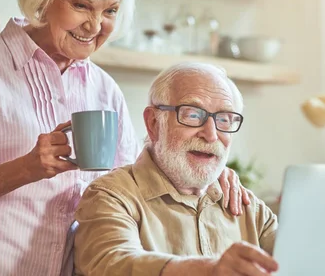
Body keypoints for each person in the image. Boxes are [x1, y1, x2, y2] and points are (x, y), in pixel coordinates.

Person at [0, 0, 248, 275]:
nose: (95, 25)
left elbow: (133, 182)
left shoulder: (105, 90)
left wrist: (206, 167)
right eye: (81, 5)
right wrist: (26, 168)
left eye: (110, 10)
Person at [73, 62, 279, 276]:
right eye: (192, 115)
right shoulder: (110, 196)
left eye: (224, 119)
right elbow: (114, 263)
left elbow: (302, 259)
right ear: (153, 123)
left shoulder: (248, 208)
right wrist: (209, 270)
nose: (211, 134)